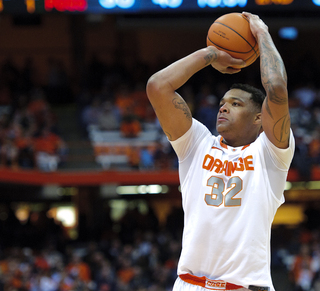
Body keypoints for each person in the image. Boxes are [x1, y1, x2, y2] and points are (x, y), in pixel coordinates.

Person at [146, 12, 295, 291]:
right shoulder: (198, 144)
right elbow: (157, 86)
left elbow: (276, 88)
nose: (223, 107)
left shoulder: (270, 154)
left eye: (236, 104)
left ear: (259, 118)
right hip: (190, 284)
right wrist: (211, 53)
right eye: (223, 102)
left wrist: (262, 34)